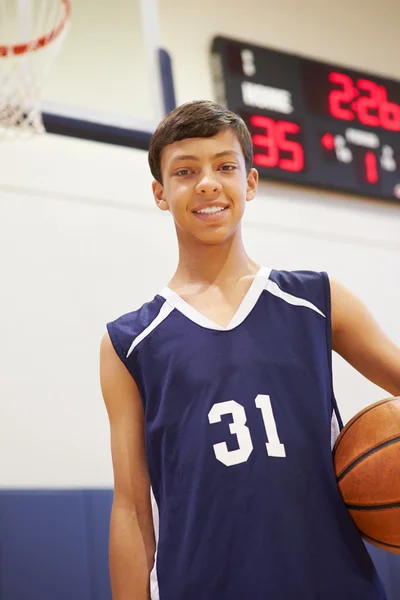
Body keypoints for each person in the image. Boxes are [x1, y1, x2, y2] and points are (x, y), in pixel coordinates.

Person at [100, 100, 400, 600]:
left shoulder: (317, 301)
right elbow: (131, 509)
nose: (208, 183)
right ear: (160, 192)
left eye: (225, 167)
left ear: (251, 183)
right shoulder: (130, 342)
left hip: (333, 584)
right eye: (186, 171)